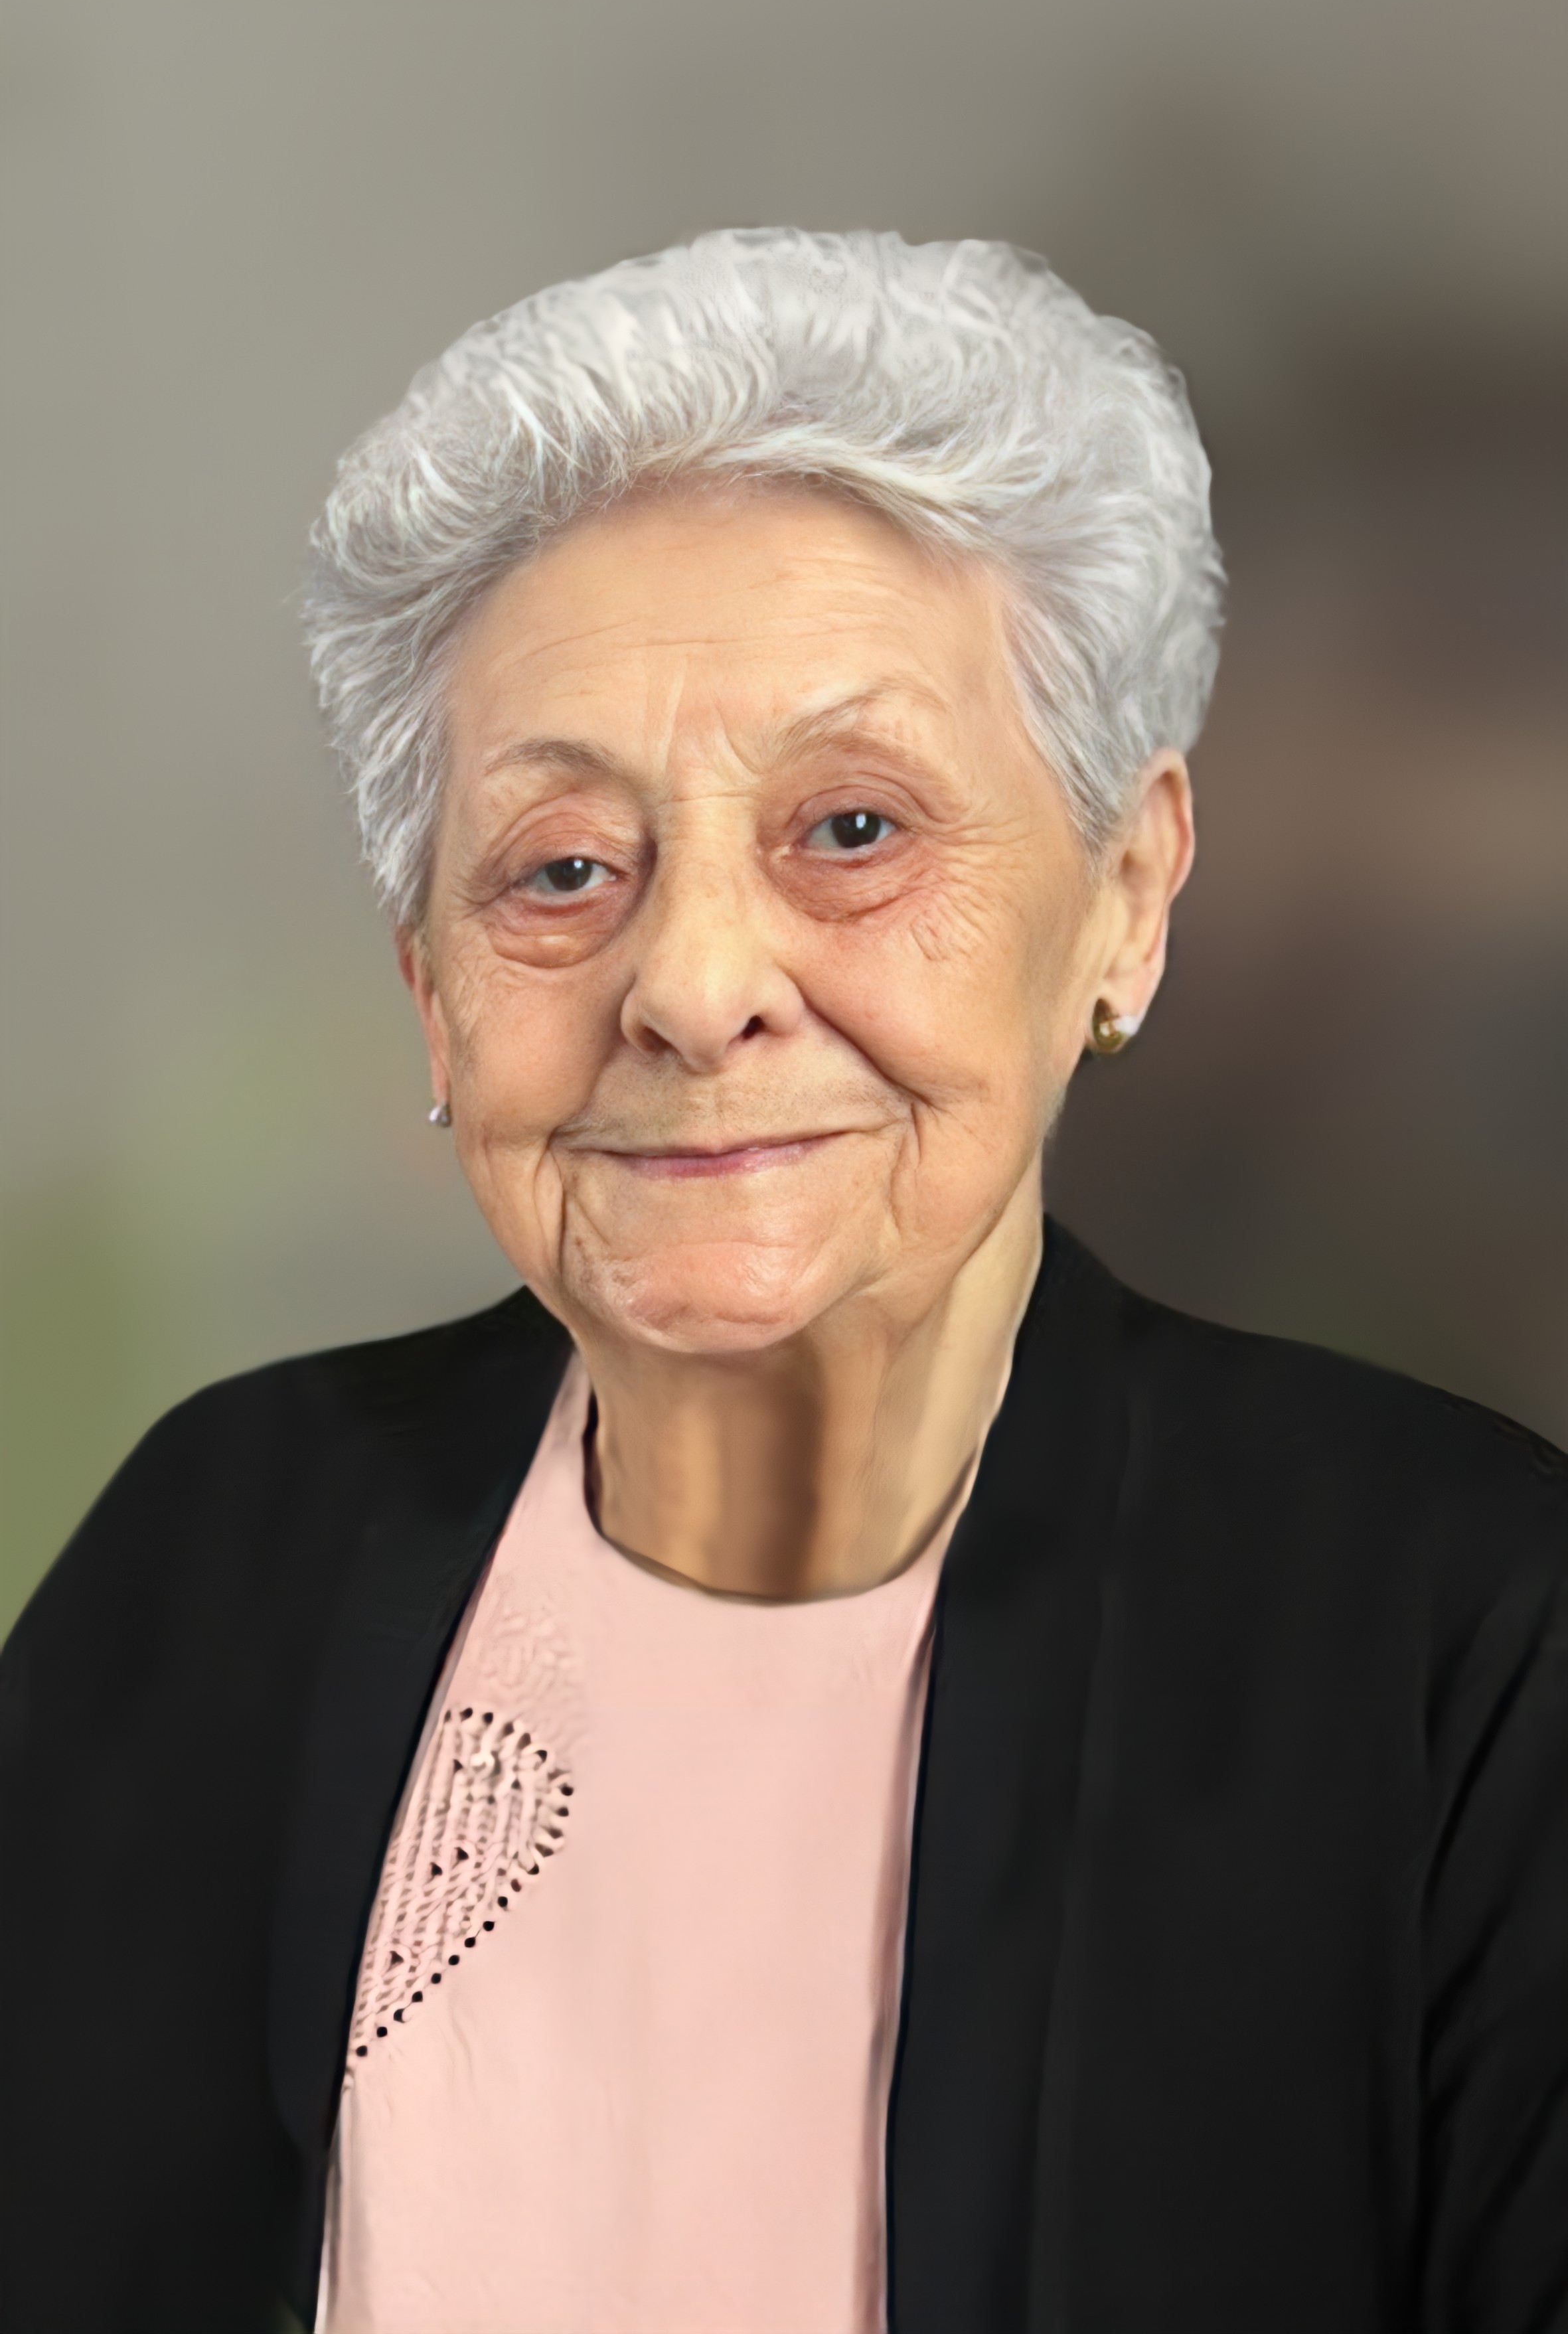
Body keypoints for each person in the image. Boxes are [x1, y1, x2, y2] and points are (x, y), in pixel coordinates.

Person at [1, 230, 1563, 2334]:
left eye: (849, 830)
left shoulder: (1464, 1635)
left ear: (1123, 900)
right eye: (561, 869)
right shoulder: (221, 1544)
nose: (694, 984)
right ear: (434, 992)